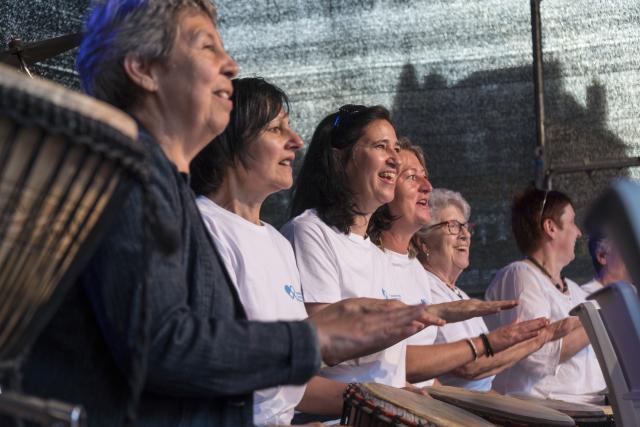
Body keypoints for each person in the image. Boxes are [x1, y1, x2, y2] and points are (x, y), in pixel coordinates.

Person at [21, 3, 440, 427]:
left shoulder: (165, 189)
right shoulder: (129, 176)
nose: (231, 65)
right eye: (207, 47)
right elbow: (162, 346)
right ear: (144, 68)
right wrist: (315, 336)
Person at [283, 106, 536, 393]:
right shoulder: (311, 231)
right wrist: (477, 340)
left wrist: (410, 392)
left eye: (395, 148)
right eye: (381, 146)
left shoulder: (373, 251)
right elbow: (325, 349)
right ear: (340, 159)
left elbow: (383, 368)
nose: (394, 158)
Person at [190, 77, 357, 424]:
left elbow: (290, 385)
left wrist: (382, 399)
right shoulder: (201, 228)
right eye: (276, 129)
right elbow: (206, 370)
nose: (296, 141)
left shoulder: (278, 243)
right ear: (230, 141)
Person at [369, 141, 564, 390]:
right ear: (424, 242)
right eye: (452, 226)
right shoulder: (415, 277)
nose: (464, 235)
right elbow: (465, 368)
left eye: (465, 226)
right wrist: (528, 340)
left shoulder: (424, 277)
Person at [484, 185, 606, 404]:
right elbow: (537, 356)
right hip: (545, 413)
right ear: (550, 227)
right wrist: (599, 322)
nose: (578, 232)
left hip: (591, 407)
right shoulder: (520, 275)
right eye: (571, 222)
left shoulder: (574, 290)